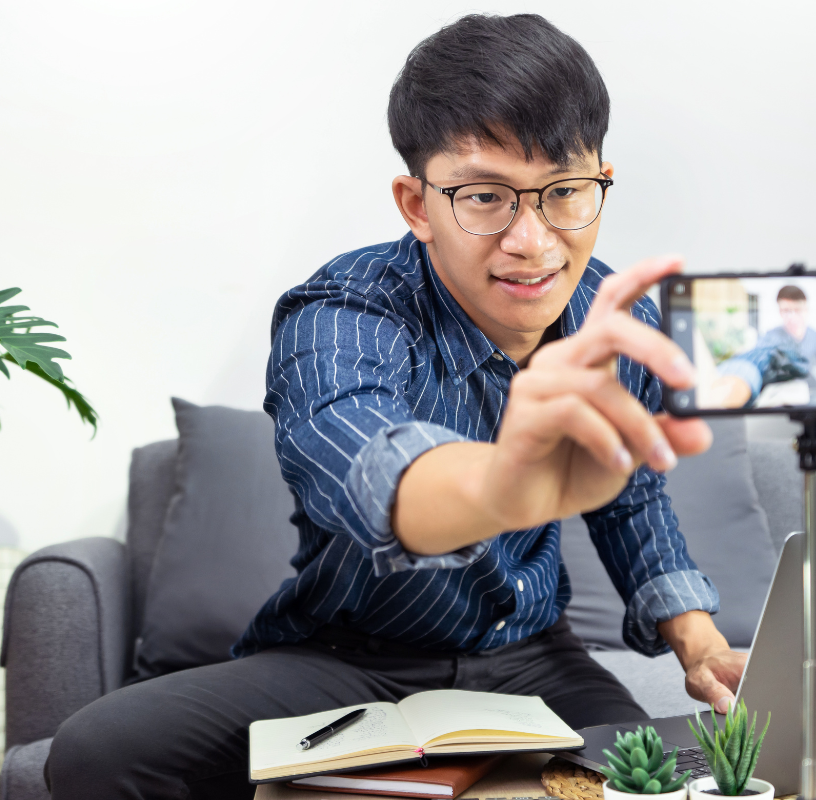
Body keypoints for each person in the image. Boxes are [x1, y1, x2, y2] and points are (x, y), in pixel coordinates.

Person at [44, 14, 746, 800]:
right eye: (485, 196)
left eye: (565, 193)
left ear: (599, 182)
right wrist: (501, 485)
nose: (533, 240)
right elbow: (369, 466)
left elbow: (632, 498)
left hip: (531, 656)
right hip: (344, 658)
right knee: (94, 751)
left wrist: (699, 643)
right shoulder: (341, 314)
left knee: (654, 784)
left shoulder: (615, 316)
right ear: (416, 203)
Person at [706, 285, 816, 408]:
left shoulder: (814, 336)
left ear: (806, 309)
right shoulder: (771, 337)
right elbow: (749, 364)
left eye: (797, 310)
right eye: (785, 311)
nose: (791, 317)